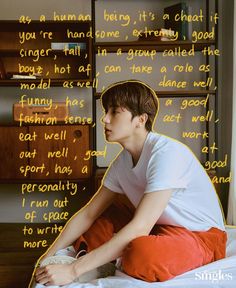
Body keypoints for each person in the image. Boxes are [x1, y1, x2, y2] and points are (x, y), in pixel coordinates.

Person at [34, 80, 226, 286]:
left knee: (141, 254)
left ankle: (95, 262)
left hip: (200, 236)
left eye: (115, 112)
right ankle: (97, 263)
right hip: (158, 226)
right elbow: (89, 213)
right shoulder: (122, 162)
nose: (105, 119)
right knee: (103, 214)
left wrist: (73, 270)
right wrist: (47, 256)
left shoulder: (167, 154)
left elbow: (140, 227)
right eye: (106, 111)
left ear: (140, 120)